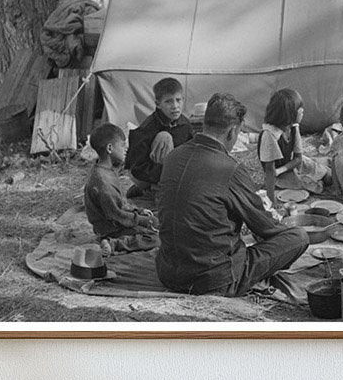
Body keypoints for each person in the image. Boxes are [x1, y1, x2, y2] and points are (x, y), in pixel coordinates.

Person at [156, 93, 310, 297]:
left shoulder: (173, 156)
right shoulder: (231, 169)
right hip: (213, 280)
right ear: (232, 132)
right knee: (298, 236)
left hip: (168, 272)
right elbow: (266, 226)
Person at [84, 123, 158, 256]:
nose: (127, 148)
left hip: (118, 221)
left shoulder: (106, 169)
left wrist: (139, 211)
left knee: (159, 217)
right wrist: (140, 220)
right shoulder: (102, 182)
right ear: (110, 148)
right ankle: (114, 244)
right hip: (111, 228)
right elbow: (116, 215)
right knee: (157, 237)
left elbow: (121, 203)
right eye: (123, 145)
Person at [124, 77, 194, 199]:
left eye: (178, 100)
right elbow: (137, 167)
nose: (175, 106)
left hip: (171, 172)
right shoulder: (148, 128)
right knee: (164, 138)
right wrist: (169, 175)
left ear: (183, 99)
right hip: (144, 175)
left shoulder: (185, 124)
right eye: (168, 102)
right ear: (158, 104)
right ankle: (152, 190)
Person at [258, 87, 328, 203]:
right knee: (314, 186)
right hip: (279, 177)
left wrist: (282, 169)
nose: (302, 111)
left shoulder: (293, 127)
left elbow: (298, 158)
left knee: (328, 177)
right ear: (288, 114)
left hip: (288, 166)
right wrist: (271, 201)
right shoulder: (270, 135)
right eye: (299, 109)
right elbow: (270, 172)